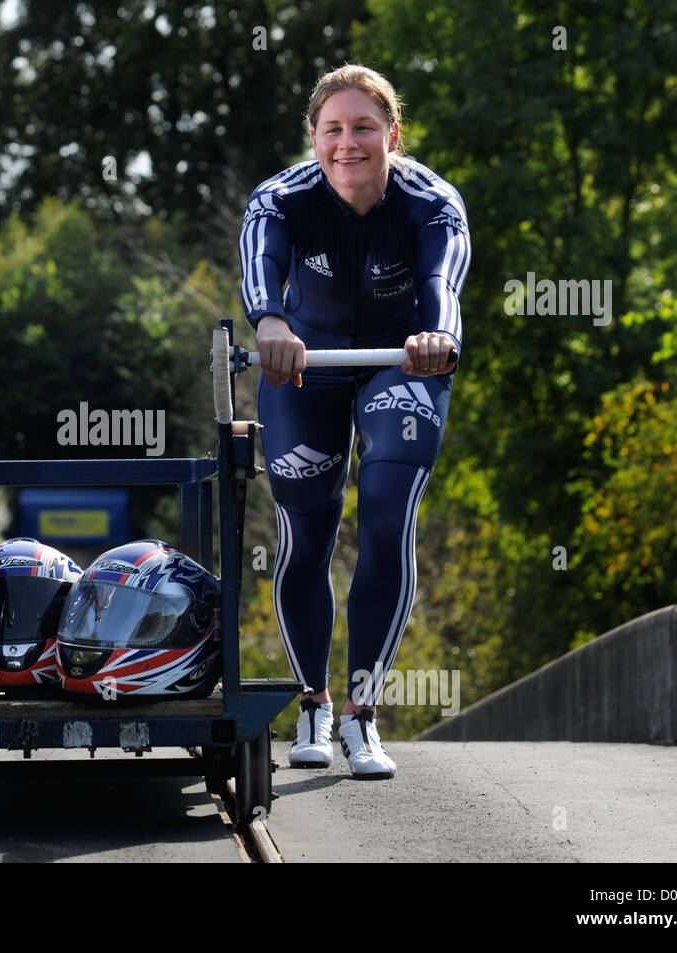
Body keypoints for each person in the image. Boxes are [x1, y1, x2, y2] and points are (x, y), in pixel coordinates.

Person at [239, 65, 470, 779]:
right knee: (306, 535)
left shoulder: (432, 201)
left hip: (401, 362)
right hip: (303, 362)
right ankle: (312, 699)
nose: (349, 144)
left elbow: (441, 284)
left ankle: (363, 712)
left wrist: (435, 335)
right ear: (314, 139)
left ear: (392, 136)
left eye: (364, 128)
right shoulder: (281, 198)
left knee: (384, 521)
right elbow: (261, 271)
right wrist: (270, 320)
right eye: (333, 129)